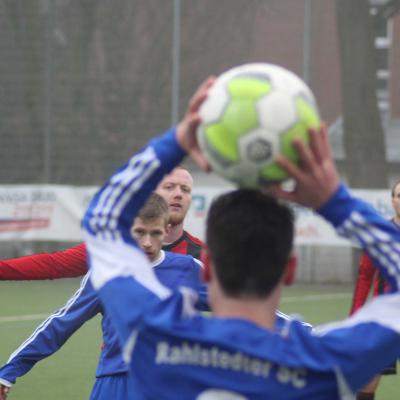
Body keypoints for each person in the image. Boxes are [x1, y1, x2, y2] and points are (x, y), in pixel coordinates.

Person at [82, 77, 400, 398]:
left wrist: (179, 139)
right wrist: (333, 201)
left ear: (206, 267)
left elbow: (102, 220)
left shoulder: (154, 336)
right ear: (289, 270)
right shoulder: (320, 362)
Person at [0, 193, 208, 400]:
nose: (147, 242)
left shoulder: (188, 268)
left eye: (155, 233)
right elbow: (61, 324)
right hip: (114, 382)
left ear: (167, 229)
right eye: (139, 232)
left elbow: (233, 303)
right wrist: (9, 372)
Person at [0, 166, 204, 281]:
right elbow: (53, 265)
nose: (178, 194)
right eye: (169, 187)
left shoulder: (201, 256)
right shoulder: (114, 247)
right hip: (120, 357)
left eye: (185, 190)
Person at [349, 181, 400, 400]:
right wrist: (356, 316)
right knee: (369, 380)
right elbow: (365, 277)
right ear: (392, 201)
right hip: (386, 318)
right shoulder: (379, 235)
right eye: (399, 195)